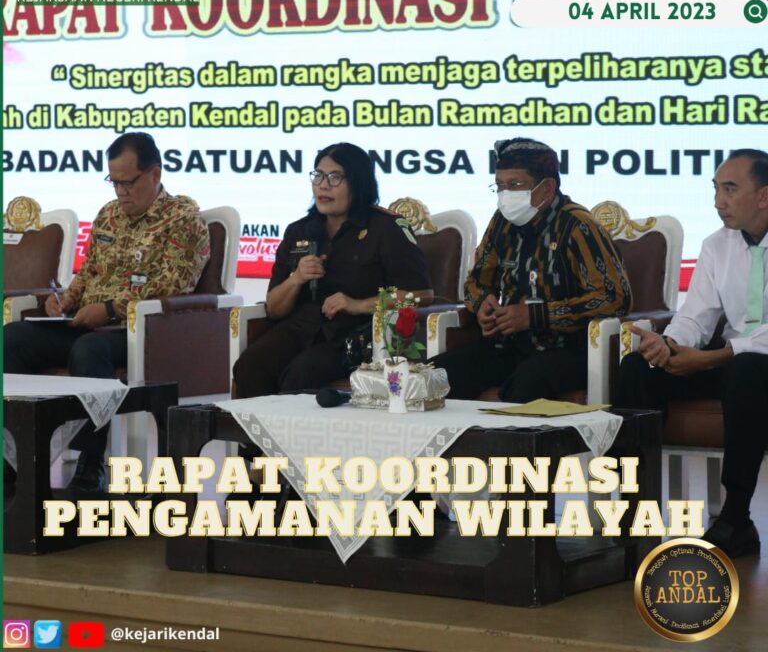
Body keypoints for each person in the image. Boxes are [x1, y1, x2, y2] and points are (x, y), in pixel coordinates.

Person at [4, 132, 210, 493]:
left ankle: (91, 462)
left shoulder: (183, 219)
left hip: (139, 331)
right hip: (86, 322)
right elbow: (87, 274)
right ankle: (16, 458)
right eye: (113, 182)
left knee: (89, 350)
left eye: (128, 182)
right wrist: (64, 299)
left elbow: (173, 286)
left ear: (155, 173)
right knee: (11, 339)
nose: (120, 192)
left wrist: (111, 309)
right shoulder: (108, 215)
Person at [616, 149, 768, 558]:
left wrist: (717, 357)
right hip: (732, 362)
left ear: (764, 196)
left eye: (730, 189)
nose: (718, 201)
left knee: (746, 370)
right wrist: (669, 346)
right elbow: (696, 316)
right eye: (715, 189)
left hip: (753, 366)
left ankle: (735, 518)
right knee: (637, 369)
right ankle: (635, 506)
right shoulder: (717, 245)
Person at [430, 138, 631, 401]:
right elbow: (476, 282)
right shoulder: (502, 222)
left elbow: (615, 298)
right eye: (500, 185)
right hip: (511, 345)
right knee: (436, 375)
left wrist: (537, 316)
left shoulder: (577, 225)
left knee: (528, 380)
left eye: (515, 185)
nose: (505, 194)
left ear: (547, 188)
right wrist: (482, 304)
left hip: (571, 349)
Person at [233, 142, 433, 398]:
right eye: (318, 176)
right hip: (301, 328)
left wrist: (358, 304)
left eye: (335, 177)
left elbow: (422, 294)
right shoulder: (300, 230)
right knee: (250, 365)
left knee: (300, 374)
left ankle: (293, 427)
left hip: (355, 335)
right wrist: (296, 279)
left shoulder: (386, 228)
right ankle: (255, 427)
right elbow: (273, 308)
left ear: (358, 183)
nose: (323, 185)